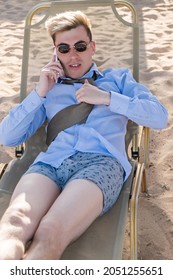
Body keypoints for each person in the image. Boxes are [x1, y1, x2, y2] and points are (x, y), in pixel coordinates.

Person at [0, 11, 168, 260]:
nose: (73, 55)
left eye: (80, 46)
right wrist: (39, 92)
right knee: (14, 222)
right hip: (51, 163)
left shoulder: (117, 79)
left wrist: (108, 98)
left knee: (50, 230)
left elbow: (159, 117)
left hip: (101, 163)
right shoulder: (50, 87)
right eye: (64, 48)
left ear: (92, 47)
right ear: (55, 52)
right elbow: (8, 136)